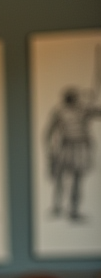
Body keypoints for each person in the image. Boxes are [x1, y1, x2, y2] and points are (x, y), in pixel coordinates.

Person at [45, 86, 99, 222]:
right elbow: (49, 131)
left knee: (76, 178)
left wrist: (91, 102)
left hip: (81, 147)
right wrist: (50, 150)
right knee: (60, 176)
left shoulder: (83, 110)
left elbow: (98, 112)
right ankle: (57, 206)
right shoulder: (59, 112)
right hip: (66, 146)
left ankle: (73, 210)